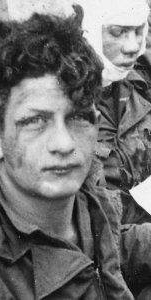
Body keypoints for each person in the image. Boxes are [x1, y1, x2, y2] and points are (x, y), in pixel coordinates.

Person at [0, 7, 151, 299]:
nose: (64, 144)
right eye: (36, 122)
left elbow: (107, 245)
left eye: (78, 118)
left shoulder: (84, 194)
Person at [78, 0, 151, 224]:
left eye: (139, 30)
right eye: (118, 32)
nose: (132, 46)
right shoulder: (57, 94)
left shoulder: (142, 77)